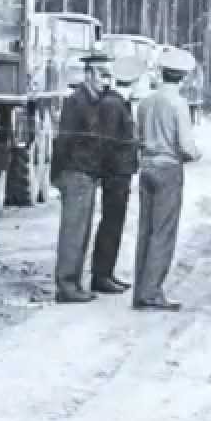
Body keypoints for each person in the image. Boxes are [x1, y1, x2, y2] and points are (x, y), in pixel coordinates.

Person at [131, 47, 202, 311]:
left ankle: (140, 290)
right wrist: (196, 154)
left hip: (147, 166)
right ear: (183, 76)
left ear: (162, 73)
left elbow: (137, 137)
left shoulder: (146, 102)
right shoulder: (178, 104)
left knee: (145, 230)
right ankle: (152, 292)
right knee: (163, 232)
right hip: (169, 169)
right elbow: (185, 145)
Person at [50, 50, 114, 303]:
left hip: (86, 174)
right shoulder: (76, 102)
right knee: (73, 232)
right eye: (101, 75)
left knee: (82, 230)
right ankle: (66, 285)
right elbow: (64, 140)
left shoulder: (96, 101)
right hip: (75, 173)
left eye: (108, 76)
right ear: (88, 75)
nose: (105, 81)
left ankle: (74, 283)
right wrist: (59, 175)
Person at [90, 56, 143, 295]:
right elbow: (108, 143)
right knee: (111, 224)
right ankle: (101, 276)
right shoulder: (113, 105)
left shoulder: (116, 103)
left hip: (119, 173)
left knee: (115, 223)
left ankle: (107, 273)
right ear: (131, 81)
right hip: (116, 174)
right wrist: (111, 171)